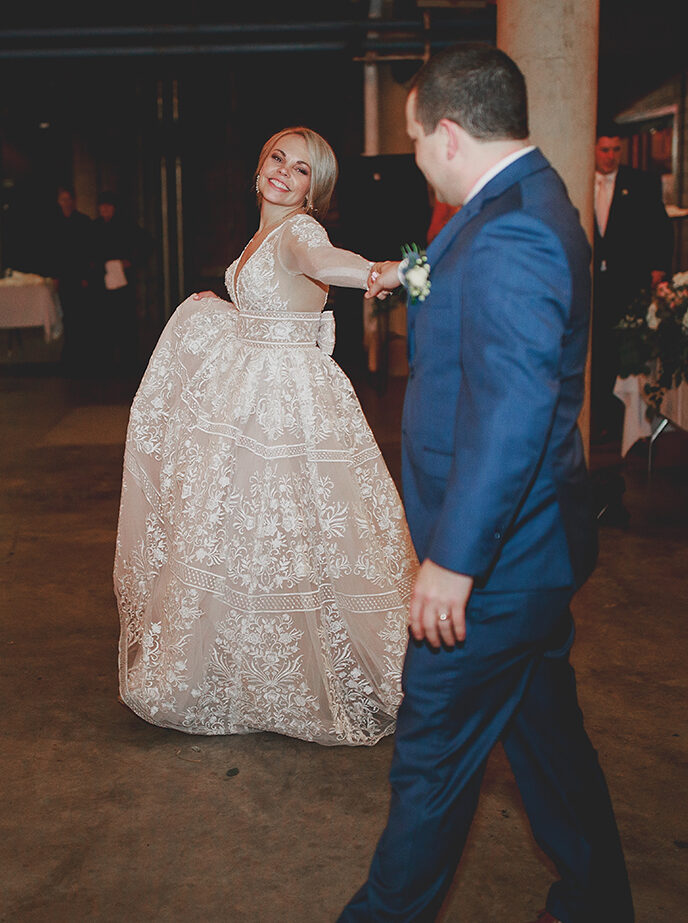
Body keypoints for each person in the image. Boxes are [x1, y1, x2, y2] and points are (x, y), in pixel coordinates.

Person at [341, 45, 633, 922]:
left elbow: (512, 413)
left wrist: (456, 562)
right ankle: (596, 898)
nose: (416, 154)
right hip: (531, 556)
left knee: (430, 759)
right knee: (546, 741)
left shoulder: (510, 228)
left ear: (452, 133)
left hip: (497, 565)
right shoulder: (513, 203)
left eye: (416, 138)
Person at [114, 127, 417, 745]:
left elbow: (324, 263)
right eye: (277, 159)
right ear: (259, 169)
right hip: (252, 397)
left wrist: (383, 271)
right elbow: (279, 302)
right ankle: (244, 668)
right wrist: (221, 307)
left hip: (285, 406)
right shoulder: (264, 233)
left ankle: (297, 670)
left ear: (315, 188)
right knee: (249, 534)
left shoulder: (301, 232)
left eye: (301, 169)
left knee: (290, 528)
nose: (284, 172)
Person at [592, 125, 673, 441]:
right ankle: (595, 416)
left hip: (626, 281)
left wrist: (658, 268)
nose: (610, 157)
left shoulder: (641, 182)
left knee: (623, 350)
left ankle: (620, 422)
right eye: (604, 150)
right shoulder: (579, 177)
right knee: (595, 350)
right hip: (592, 281)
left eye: (615, 150)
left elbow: (661, 229)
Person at [91, 191, 152, 376]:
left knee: (125, 322)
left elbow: (147, 243)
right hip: (101, 282)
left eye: (108, 207)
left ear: (114, 208)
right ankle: (105, 363)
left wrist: (131, 262)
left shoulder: (126, 226)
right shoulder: (95, 227)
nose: (105, 210)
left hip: (123, 282)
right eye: (102, 207)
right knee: (103, 323)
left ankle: (128, 364)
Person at [48, 186, 93, 372]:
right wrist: (55, 276)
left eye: (68, 199)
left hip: (78, 274)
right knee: (67, 315)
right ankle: (70, 355)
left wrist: (85, 275)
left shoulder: (82, 221)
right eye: (62, 199)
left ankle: (81, 356)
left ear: (73, 201)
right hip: (64, 275)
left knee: (80, 315)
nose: (65, 203)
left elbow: (87, 251)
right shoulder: (55, 223)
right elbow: (53, 252)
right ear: (59, 202)